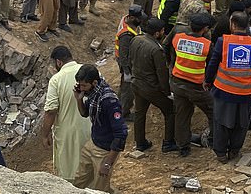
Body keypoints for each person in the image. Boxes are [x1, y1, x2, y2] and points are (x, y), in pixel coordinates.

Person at [205, 11, 251, 163]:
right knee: (242, 123)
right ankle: (234, 150)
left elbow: (213, 63)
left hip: (224, 90)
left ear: (232, 24)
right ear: (248, 26)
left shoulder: (223, 41)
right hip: (247, 91)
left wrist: (207, 80)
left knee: (221, 121)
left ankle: (221, 153)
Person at [72, 64, 128, 194]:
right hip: (93, 143)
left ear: (94, 82)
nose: (81, 88)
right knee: (78, 182)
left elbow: (121, 134)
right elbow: (84, 113)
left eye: (84, 85)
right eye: (79, 85)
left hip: (104, 151)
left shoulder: (109, 101)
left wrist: (108, 163)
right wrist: (79, 99)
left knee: (99, 189)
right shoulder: (93, 94)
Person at [166, 13, 214, 157]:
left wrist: (171, 65)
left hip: (177, 83)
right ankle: (213, 140)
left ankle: (183, 147)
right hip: (197, 87)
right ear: (205, 29)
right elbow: (211, 66)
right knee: (214, 112)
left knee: (182, 115)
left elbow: (169, 51)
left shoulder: (177, 38)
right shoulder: (207, 45)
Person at [42, 46, 90, 182]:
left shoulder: (57, 80)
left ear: (58, 62)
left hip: (67, 134)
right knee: (89, 170)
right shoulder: (89, 71)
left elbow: (51, 111)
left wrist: (45, 135)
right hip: (91, 130)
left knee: (69, 174)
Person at [130, 18, 177, 152]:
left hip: (136, 82)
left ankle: (140, 142)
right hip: (151, 87)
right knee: (170, 110)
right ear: (157, 33)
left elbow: (129, 59)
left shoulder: (136, 39)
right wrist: (167, 92)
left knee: (140, 113)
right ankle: (168, 142)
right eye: (162, 31)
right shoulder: (156, 50)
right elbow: (162, 74)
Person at [115, 4, 145, 121]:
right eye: (139, 18)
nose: (141, 20)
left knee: (125, 86)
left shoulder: (127, 20)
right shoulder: (126, 35)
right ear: (132, 18)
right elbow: (123, 55)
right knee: (129, 88)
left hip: (127, 61)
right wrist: (127, 71)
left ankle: (119, 105)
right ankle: (124, 113)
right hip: (126, 63)